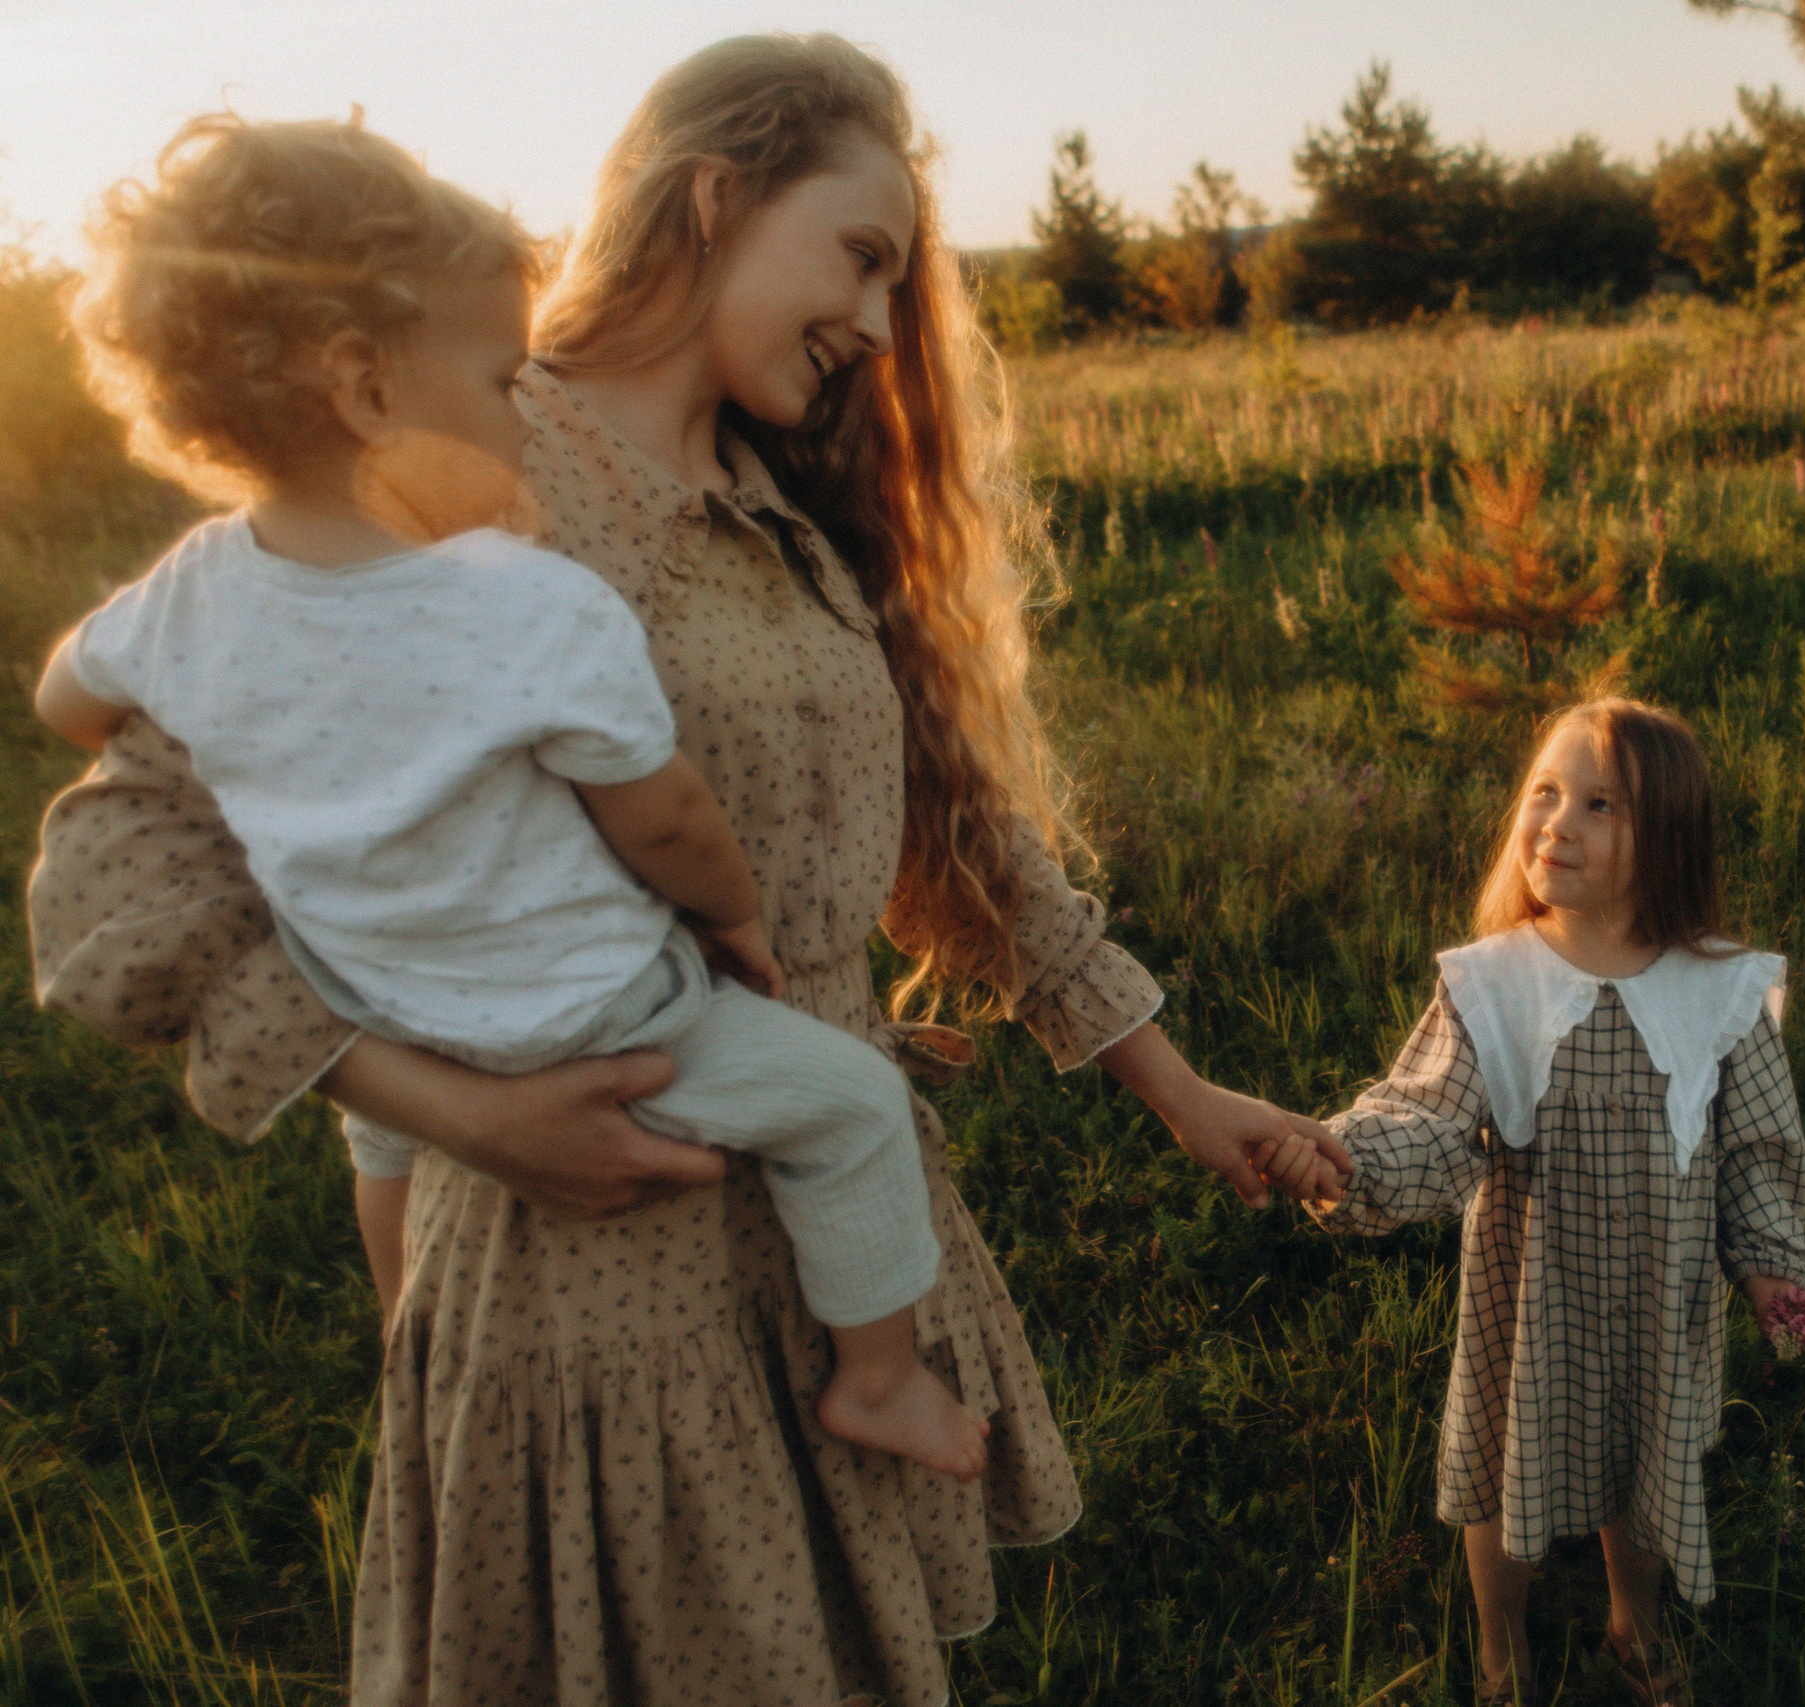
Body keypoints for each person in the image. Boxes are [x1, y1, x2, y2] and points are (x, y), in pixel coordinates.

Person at [27, 33, 1347, 1706]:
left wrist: (1177, 1088)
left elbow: (944, 832)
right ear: (716, 196)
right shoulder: (468, 470)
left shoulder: (775, 494)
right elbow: (128, 883)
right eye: (862, 253)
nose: (879, 321)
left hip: (825, 1235)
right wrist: (453, 1112)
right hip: (599, 1261)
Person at [34, 112, 997, 1478]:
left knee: (385, 1153)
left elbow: (71, 701)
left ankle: (409, 1347)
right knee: (850, 1104)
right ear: (367, 388)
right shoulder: (527, 595)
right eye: (499, 377)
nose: (518, 409)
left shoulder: (189, 594)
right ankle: (882, 1377)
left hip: (385, 1000)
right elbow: (658, 812)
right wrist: (732, 921)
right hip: (592, 1019)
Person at [1293, 697, 1805, 1706]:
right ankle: (1499, 1646)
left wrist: (1773, 1268)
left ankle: (1632, 1621)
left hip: (1658, 1298)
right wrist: (1343, 1160)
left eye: (1599, 805)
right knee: (1500, 1485)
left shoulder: (1716, 991)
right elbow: (1427, 1118)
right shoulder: (1493, 983)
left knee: (1643, 1485)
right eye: (1545, 792)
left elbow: (1754, 1155)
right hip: (1530, 1303)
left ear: (1668, 838)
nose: (1557, 822)